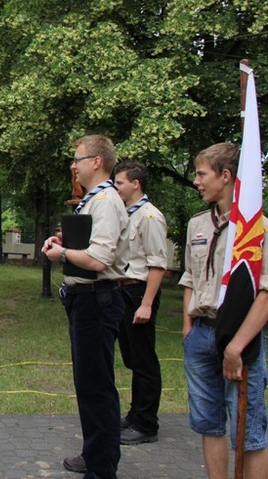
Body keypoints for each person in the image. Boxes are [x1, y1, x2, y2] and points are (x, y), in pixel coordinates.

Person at [179, 142, 268, 478]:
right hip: (201, 335)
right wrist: (188, 329)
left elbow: (265, 294)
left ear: (226, 175)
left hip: (240, 341)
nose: (197, 181)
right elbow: (189, 278)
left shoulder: (256, 230)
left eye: (202, 174)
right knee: (209, 423)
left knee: (250, 433)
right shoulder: (196, 224)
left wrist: (236, 347)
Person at [42, 134, 127, 478]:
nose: (73, 166)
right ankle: (95, 455)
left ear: (97, 161)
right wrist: (65, 243)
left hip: (96, 301)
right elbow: (89, 247)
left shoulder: (106, 200)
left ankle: (102, 468)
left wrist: (61, 254)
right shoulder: (93, 200)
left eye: (77, 159)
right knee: (90, 385)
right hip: (85, 301)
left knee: (97, 388)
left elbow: (99, 259)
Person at [113, 161, 167, 446]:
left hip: (139, 291)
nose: (116, 187)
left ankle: (147, 424)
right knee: (133, 358)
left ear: (136, 183)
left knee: (144, 359)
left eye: (119, 183)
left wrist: (146, 304)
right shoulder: (126, 215)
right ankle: (136, 414)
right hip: (123, 290)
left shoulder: (149, 217)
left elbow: (157, 264)